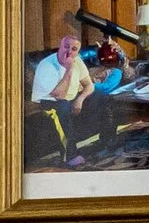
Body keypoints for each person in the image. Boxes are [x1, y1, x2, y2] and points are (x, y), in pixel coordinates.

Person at [30, 33, 99, 163]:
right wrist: (69, 69)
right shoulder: (47, 65)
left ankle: (107, 141)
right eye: (66, 46)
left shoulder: (77, 61)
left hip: (69, 99)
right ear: (60, 47)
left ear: (77, 52)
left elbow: (89, 85)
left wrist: (80, 99)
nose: (69, 51)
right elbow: (59, 96)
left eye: (74, 49)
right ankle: (70, 157)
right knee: (63, 107)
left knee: (100, 96)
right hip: (47, 102)